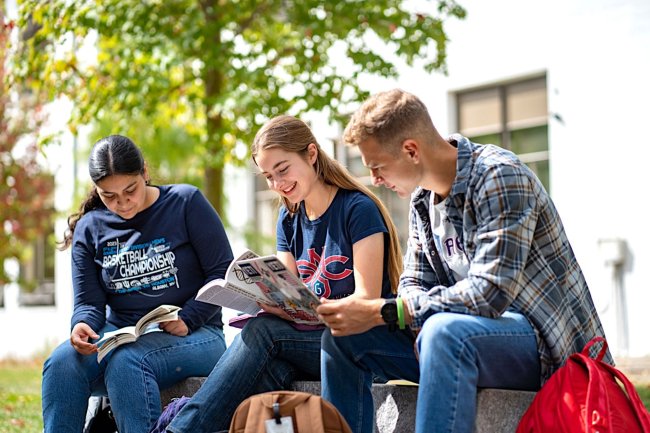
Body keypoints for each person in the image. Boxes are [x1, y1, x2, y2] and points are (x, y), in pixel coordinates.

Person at [316, 89, 611, 433]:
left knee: (443, 332)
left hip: (543, 347)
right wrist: (377, 315)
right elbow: (413, 281)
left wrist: (390, 311)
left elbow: (488, 295)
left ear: (411, 150)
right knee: (343, 336)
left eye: (378, 167)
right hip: (457, 339)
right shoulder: (422, 200)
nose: (375, 181)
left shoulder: (499, 176)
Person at [163, 115, 402, 433]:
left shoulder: (357, 210)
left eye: (283, 170)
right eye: (268, 176)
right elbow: (291, 292)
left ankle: (180, 430)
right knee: (270, 365)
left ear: (311, 154)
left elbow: (366, 302)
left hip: (357, 342)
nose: (277, 184)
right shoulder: (288, 217)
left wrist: (311, 311)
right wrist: (271, 302)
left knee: (265, 334)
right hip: (308, 340)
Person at [42, 135, 234, 433]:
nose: (122, 202)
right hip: (120, 334)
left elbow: (222, 272)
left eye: (130, 190)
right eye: (109, 195)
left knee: (126, 361)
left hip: (197, 334)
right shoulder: (90, 228)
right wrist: (81, 324)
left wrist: (189, 317)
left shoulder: (185, 203)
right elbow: (89, 304)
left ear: (144, 172)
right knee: (62, 363)